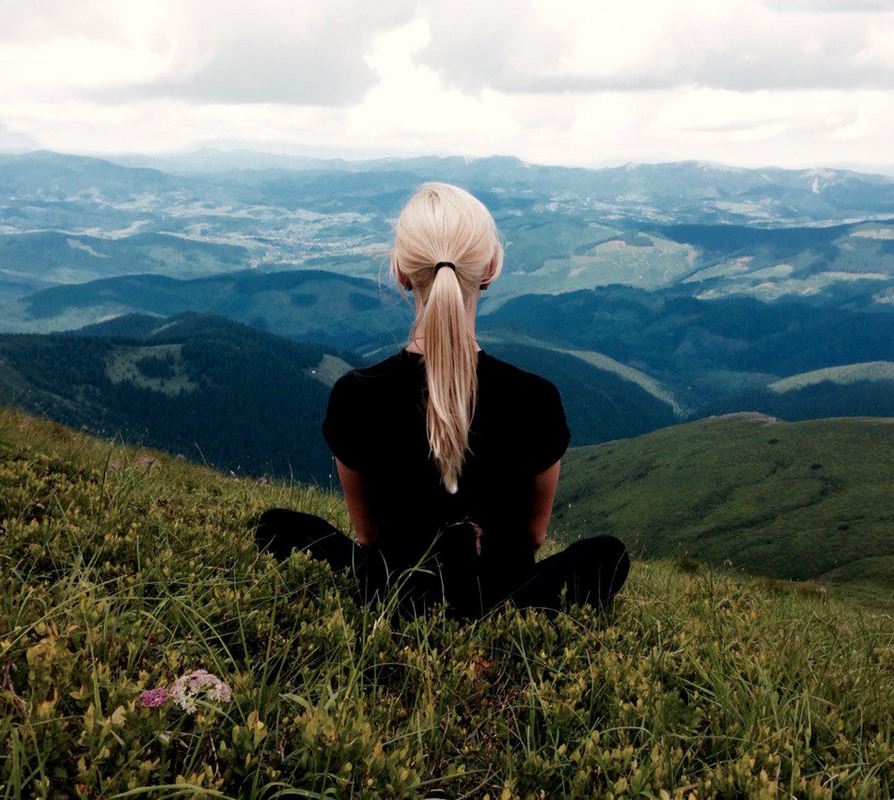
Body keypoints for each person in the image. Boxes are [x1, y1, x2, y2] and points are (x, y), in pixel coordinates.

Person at [255, 182, 629, 619]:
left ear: (400, 272)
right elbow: (533, 535)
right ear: (489, 270)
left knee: (276, 526)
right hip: (502, 596)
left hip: (395, 592)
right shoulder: (536, 398)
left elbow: (369, 534)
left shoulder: (355, 394)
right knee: (608, 553)